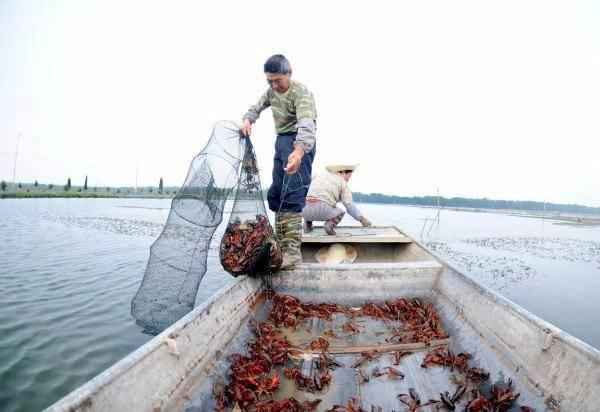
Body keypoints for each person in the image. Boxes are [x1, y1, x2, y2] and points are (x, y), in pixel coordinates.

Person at [241, 54, 317, 269]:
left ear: (289, 73)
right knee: (276, 194)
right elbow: (256, 107)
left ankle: (292, 253)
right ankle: (281, 245)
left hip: (300, 142)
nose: (274, 85)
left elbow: (307, 126)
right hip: (282, 141)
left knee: (292, 193)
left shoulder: (301, 93)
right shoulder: (271, 92)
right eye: (270, 81)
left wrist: (299, 152)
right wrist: (248, 120)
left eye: (278, 80)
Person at [302, 164, 372, 235]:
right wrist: (362, 219)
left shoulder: (318, 175)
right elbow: (349, 205)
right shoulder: (342, 182)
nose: (348, 179)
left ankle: (307, 225)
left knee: (309, 203)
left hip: (304, 210)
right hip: (322, 209)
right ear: (342, 172)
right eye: (349, 176)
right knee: (340, 212)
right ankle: (329, 225)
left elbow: (305, 190)